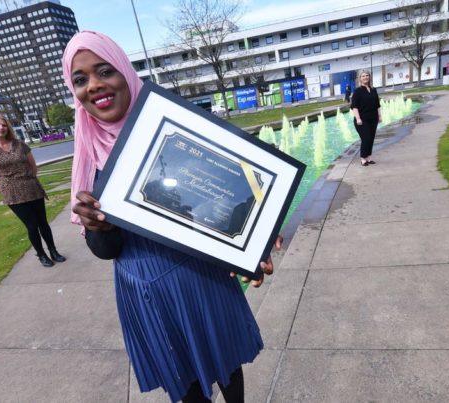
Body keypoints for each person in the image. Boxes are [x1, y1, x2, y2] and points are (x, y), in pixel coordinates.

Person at [63, 31, 279, 403]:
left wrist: (255, 238)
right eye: (80, 79)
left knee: (227, 366)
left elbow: (223, 194)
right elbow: (106, 250)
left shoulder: (175, 131)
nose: (94, 85)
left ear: (125, 73)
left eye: (104, 71)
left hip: (200, 274)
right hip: (145, 289)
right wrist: (97, 226)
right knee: (184, 381)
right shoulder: (89, 156)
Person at [0, 113, 67, 266]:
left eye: (4, 125)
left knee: (43, 223)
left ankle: (53, 251)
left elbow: (33, 166)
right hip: (12, 194)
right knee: (31, 225)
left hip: (32, 188)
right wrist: (4, 191)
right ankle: (41, 255)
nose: (1, 127)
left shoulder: (19, 144)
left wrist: (28, 179)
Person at [351, 70, 381, 166]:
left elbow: (377, 105)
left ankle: (368, 156)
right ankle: (363, 158)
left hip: (373, 118)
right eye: (363, 76)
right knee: (366, 138)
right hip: (362, 120)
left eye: (367, 75)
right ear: (360, 78)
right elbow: (354, 106)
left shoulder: (373, 90)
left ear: (369, 77)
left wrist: (379, 116)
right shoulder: (358, 91)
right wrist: (358, 118)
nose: (365, 77)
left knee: (371, 138)